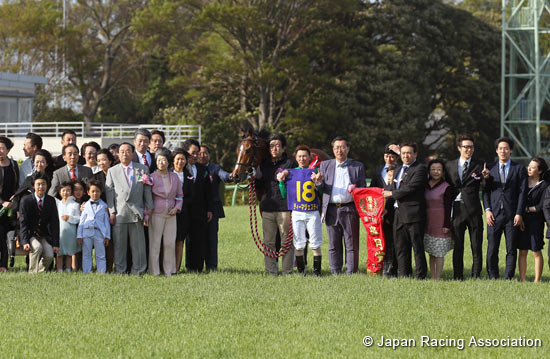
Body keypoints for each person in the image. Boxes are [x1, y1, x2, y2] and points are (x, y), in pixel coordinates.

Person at [312, 136, 365, 275]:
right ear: (333, 149)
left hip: (349, 208)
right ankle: (335, 271)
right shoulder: (325, 165)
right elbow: (321, 188)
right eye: (336, 147)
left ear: (348, 149)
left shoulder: (357, 166)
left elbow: (363, 188)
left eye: (342, 147)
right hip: (331, 209)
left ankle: (351, 272)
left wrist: (356, 190)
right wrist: (317, 182)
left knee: (351, 243)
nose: (339, 150)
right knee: (333, 244)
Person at [482, 137, 527, 280]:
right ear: (496, 150)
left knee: (511, 248)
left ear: (511, 150)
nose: (503, 151)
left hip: (512, 214)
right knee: (492, 247)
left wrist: (519, 213)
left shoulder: (519, 168)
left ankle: (508, 277)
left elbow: (522, 192)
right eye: (500, 148)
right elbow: (485, 191)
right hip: (494, 214)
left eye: (506, 148)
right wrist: (487, 209)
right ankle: (493, 276)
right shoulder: (489, 168)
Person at [105, 142, 154, 275]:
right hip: (120, 213)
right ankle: (120, 270)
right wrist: (112, 212)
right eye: (122, 151)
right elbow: (109, 193)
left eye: (128, 151)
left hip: (137, 212)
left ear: (132, 154)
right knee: (120, 246)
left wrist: (149, 210)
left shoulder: (142, 169)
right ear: (118, 154)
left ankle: (139, 270)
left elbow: (147, 190)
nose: (125, 154)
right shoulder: (112, 171)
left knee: (138, 245)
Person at [382, 142, 428, 279]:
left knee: (417, 248)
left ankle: (420, 276)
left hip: (414, 215)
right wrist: (383, 207)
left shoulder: (420, 169)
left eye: (409, 153)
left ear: (415, 154)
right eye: (403, 153)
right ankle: (404, 275)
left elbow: (410, 188)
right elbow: (391, 188)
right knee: (400, 248)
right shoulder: (398, 169)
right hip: (398, 214)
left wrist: (391, 194)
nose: (406, 156)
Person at [277, 145, 322, 276]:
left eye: (304, 156)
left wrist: (318, 181)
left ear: (309, 157)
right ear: (296, 158)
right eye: (299, 156)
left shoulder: (315, 171)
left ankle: (317, 272)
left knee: (315, 242)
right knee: (299, 243)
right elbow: (284, 194)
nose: (302, 159)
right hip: (297, 212)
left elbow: (322, 191)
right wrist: (281, 181)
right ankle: (302, 271)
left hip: (313, 211)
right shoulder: (290, 172)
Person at [445, 134, 486, 280]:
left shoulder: (480, 165)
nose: (469, 149)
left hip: (474, 210)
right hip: (456, 211)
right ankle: (458, 275)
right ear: (459, 148)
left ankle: (476, 275)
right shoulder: (449, 165)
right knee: (458, 246)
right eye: (465, 147)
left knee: (476, 246)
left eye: (471, 147)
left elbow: (485, 187)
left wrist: (486, 177)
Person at [255, 134, 296, 275]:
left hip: (285, 208)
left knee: (287, 242)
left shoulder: (290, 163)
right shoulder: (263, 165)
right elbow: (257, 183)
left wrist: (286, 172)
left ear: (283, 148)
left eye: (278, 145)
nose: (274, 148)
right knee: (269, 242)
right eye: (272, 145)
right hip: (267, 208)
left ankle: (287, 271)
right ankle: (271, 271)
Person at [149, 148, 183, 276]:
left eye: (163, 160)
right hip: (156, 213)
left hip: (171, 214)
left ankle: (169, 270)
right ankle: (154, 271)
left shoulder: (174, 177)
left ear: (168, 162)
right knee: (155, 243)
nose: (160, 163)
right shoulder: (151, 177)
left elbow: (180, 195)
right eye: (158, 160)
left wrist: (177, 207)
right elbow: (147, 197)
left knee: (169, 243)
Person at [198, 144, 231, 271]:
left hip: (213, 208)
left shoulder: (215, 168)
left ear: (209, 155)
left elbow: (225, 176)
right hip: (196, 208)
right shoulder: (191, 168)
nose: (202, 155)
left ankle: (211, 266)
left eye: (205, 153)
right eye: (200, 153)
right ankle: (196, 266)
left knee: (212, 238)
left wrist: (232, 176)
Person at [19, 173, 59, 273]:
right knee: (37, 247)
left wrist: (55, 243)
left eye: (43, 184)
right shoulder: (25, 200)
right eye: (38, 184)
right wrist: (25, 241)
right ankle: (32, 273)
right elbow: (23, 223)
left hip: (44, 234)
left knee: (49, 255)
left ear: (47, 185)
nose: (41, 187)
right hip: (30, 233)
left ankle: (39, 273)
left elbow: (55, 222)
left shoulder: (51, 200)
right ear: (33, 186)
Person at [182, 139, 213, 272]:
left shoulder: (202, 169)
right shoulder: (179, 168)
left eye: (197, 153)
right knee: (181, 241)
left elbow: (208, 192)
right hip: (182, 210)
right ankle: (182, 266)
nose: (195, 156)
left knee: (198, 240)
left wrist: (209, 209)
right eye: (193, 153)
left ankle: (197, 268)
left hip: (199, 211)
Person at [370, 143, 399, 277]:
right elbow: (373, 191)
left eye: (392, 156)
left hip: (397, 211)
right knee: (384, 241)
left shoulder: (400, 170)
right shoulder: (377, 171)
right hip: (381, 212)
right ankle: (385, 268)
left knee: (397, 241)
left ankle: (397, 269)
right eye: (387, 156)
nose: (389, 159)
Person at [518, 157, 548, 282]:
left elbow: (542, 205)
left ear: (540, 171)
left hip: (536, 221)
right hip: (522, 220)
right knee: (522, 250)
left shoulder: (545, 185)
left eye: (533, 167)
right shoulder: (523, 182)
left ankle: (537, 280)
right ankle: (522, 279)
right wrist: (521, 215)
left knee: (536, 250)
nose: (528, 169)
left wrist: (528, 209)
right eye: (528, 166)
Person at [423, 159, 453, 280]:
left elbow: (448, 207)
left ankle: (438, 277)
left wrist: (447, 224)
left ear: (443, 171)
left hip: (441, 221)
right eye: (433, 169)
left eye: (439, 169)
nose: (436, 172)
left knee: (439, 252)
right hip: (427, 221)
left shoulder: (447, 187)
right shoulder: (424, 185)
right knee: (431, 251)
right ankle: (432, 276)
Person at [78, 180, 110, 274]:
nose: (95, 193)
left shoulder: (104, 206)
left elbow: (106, 222)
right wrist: (79, 235)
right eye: (92, 191)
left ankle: (101, 272)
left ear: (101, 192)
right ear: (88, 192)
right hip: (87, 232)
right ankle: (86, 271)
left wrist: (107, 236)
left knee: (100, 254)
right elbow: (81, 221)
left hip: (99, 232)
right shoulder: (85, 206)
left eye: (97, 191)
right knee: (86, 253)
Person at [93, 148, 115, 272]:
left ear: (110, 161)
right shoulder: (96, 177)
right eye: (99, 161)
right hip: (101, 213)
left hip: (115, 212)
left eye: (104, 160)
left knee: (113, 242)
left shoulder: (116, 173)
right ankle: (104, 267)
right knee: (104, 241)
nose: (101, 163)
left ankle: (112, 267)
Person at [0, 136, 18, 272]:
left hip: (11, 208)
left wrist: (14, 202)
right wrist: (2, 203)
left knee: (9, 237)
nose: (0, 151)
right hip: (1, 207)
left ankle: (6, 264)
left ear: (8, 150)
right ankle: (3, 265)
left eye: (2, 148)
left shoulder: (13, 165)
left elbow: (17, 186)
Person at [173, 148, 192, 273]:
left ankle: (176, 268)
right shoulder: (168, 173)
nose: (180, 162)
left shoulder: (189, 176)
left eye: (183, 159)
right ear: (173, 161)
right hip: (168, 212)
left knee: (180, 240)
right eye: (178, 159)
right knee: (168, 241)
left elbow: (191, 195)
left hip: (183, 213)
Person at [55, 181, 81, 273]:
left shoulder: (75, 205)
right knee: (59, 252)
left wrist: (69, 218)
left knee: (70, 252)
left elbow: (78, 218)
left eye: (68, 190)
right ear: (60, 192)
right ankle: (59, 270)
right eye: (63, 190)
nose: (65, 193)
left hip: (71, 232)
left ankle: (68, 269)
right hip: (60, 231)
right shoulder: (57, 204)